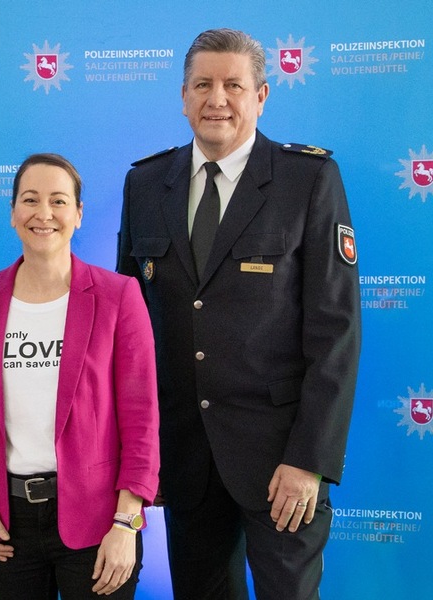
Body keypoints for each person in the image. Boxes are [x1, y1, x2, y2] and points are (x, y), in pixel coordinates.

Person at [117, 29, 361, 600]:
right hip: (185, 460)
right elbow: (130, 334)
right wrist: (140, 458)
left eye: (233, 85)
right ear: (183, 96)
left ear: (262, 96)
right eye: (203, 84)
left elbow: (336, 331)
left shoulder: (308, 179)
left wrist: (309, 460)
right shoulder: (145, 183)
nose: (217, 99)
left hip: (282, 465)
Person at [0, 153, 159, 599]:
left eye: (58, 201)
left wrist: (127, 522)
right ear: (12, 212)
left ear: (78, 214)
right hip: (5, 524)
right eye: (30, 200)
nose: (43, 213)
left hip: (99, 522)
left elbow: (141, 421)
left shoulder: (119, 296)